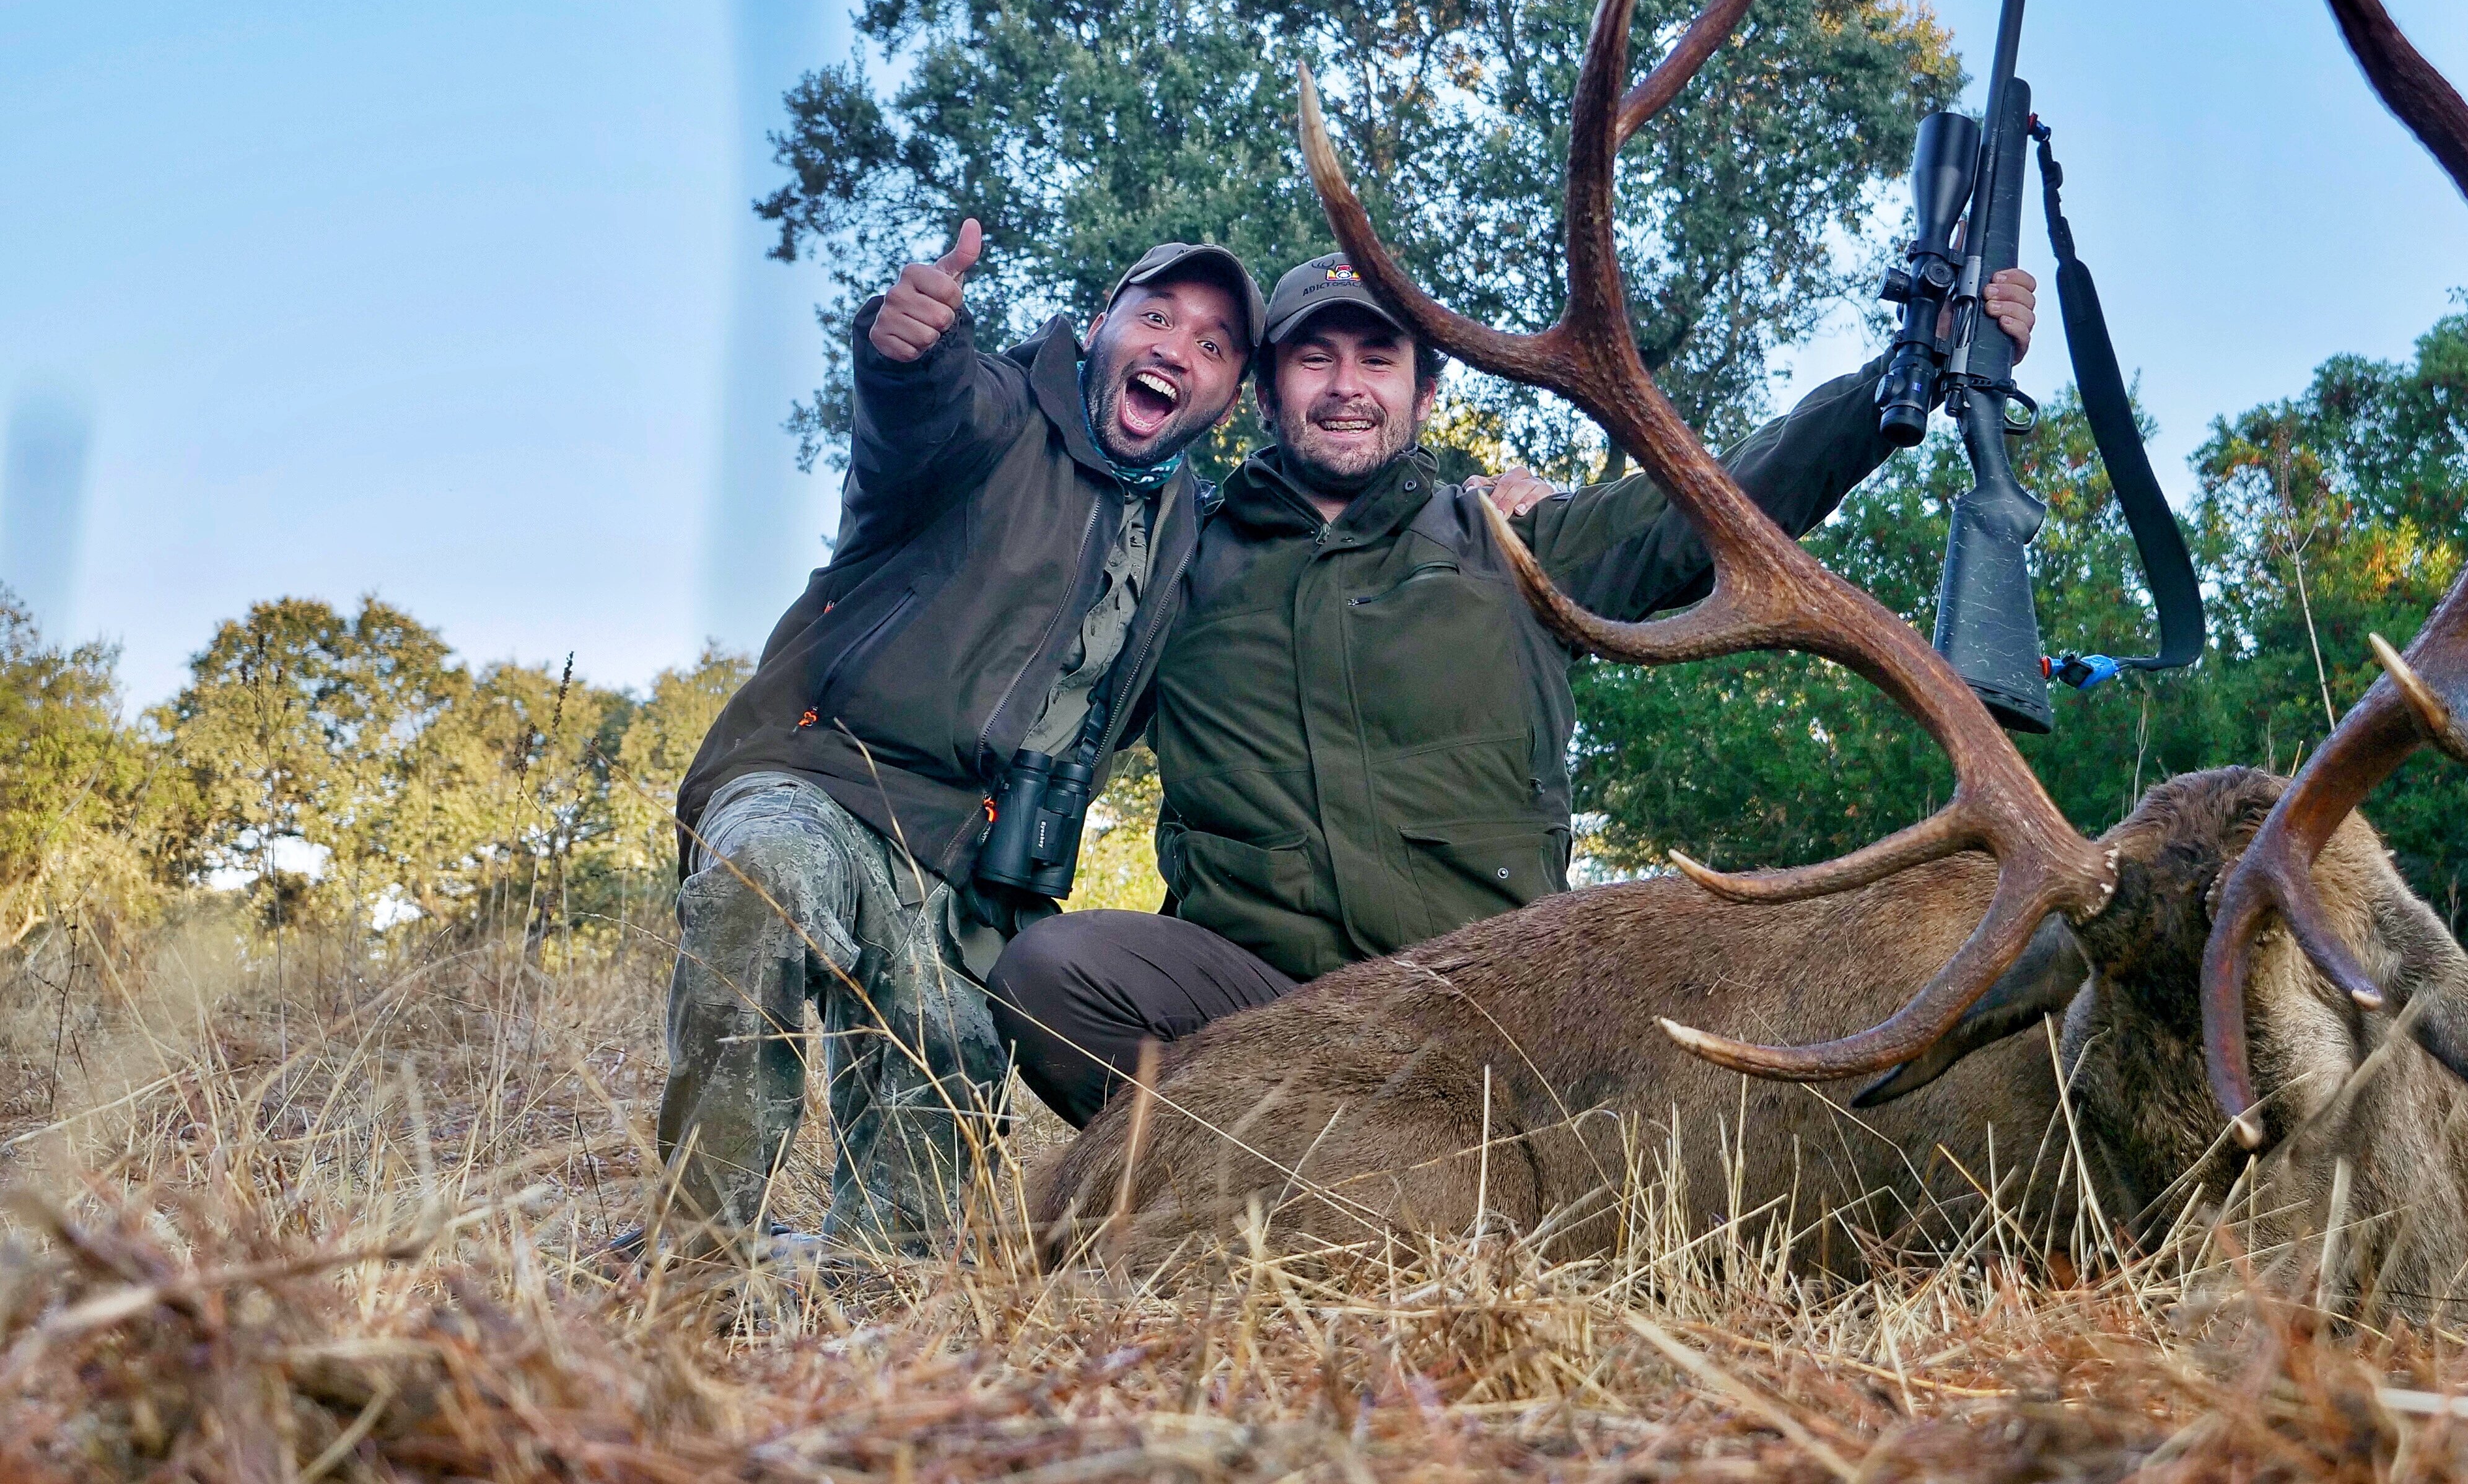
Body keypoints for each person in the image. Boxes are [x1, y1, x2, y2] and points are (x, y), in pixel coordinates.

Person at [987, 252, 2037, 1126]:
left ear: (1424, 392)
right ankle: (1288, 1182)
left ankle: (1367, 1191)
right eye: (1313, 360)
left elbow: (1709, 503)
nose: (1345, 386)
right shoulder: (1182, 557)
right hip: (1262, 1014)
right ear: (1267, 394)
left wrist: (1896, 379)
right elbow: (1045, 682)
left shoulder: (1516, 544)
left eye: (1375, 359)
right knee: (1052, 972)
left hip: (1489, 1010)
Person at [652, 219, 1261, 1257]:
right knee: (762, 878)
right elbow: (919, 411)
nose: (1174, 349)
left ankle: (842, 1293)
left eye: (1211, 345)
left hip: (967, 875)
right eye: (1154, 317)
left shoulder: (1192, 532)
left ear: (1229, 397)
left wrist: (1482, 504)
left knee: (910, 1236)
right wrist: (908, 350)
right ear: (1102, 324)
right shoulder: (998, 412)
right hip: (818, 780)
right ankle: (693, 1264)